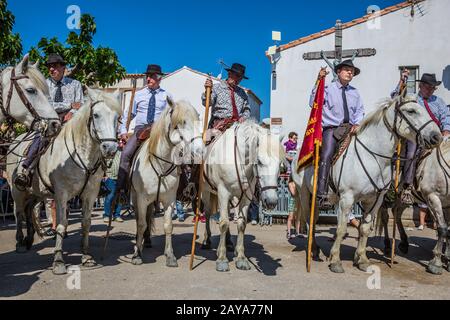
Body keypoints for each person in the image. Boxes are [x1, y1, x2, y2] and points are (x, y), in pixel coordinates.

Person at [15, 53, 83, 237]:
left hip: (71, 122)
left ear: (63, 67)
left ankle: (95, 178)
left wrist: (72, 112)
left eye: (56, 66)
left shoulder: (75, 84)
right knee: (39, 139)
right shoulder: (43, 83)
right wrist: (69, 105)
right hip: (49, 121)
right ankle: (25, 168)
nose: (52, 69)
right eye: (50, 66)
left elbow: (81, 106)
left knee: (86, 143)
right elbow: (46, 104)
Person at [392, 71, 450, 228]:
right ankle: (408, 187)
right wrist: (401, 80)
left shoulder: (439, 102)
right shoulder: (413, 99)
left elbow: (446, 117)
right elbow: (395, 97)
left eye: (433, 87)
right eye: (428, 87)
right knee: (411, 153)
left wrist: (446, 131)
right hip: (416, 138)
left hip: (436, 137)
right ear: (420, 86)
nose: (431, 90)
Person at [312, 60, 365, 210]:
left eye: (352, 71)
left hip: (352, 129)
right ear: (338, 72)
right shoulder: (328, 89)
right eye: (347, 70)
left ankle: (365, 189)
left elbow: (360, 111)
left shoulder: (355, 92)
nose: (350, 73)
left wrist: (358, 123)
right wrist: (318, 81)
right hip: (332, 129)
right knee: (327, 154)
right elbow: (313, 102)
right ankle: (322, 194)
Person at [114, 64, 170, 199]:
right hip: (140, 129)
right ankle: (121, 189)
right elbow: (128, 115)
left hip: (159, 130)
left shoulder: (166, 96)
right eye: (147, 76)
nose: (148, 78)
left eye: (151, 76)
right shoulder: (138, 95)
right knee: (126, 154)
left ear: (159, 78)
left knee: (177, 154)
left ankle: (180, 189)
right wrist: (123, 131)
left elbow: (170, 116)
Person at [203, 63, 251, 137]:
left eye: (240, 78)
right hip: (218, 126)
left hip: (236, 127)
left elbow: (247, 110)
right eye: (237, 76)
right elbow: (206, 103)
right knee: (204, 144)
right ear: (229, 74)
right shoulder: (216, 88)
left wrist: (243, 118)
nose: (238, 80)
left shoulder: (242, 93)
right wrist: (207, 91)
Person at [103, 142, 123, 223]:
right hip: (110, 178)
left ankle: (117, 215)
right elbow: (102, 165)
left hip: (119, 178)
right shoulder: (105, 154)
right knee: (110, 195)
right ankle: (107, 215)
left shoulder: (120, 153)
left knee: (119, 197)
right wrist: (104, 175)